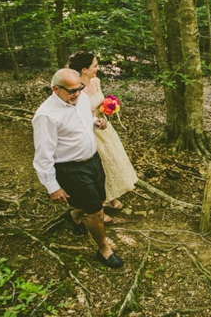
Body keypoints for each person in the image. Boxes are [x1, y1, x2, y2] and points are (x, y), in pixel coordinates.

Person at [32, 69, 124, 268]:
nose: (77, 94)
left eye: (79, 89)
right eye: (71, 91)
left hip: (93, 160)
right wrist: (52, 186)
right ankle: (104, 250)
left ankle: (75, 214)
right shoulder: (46, 116)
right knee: (97, 212)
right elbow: (43, 156)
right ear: (55, 89)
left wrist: (95, 122)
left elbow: (81, 121)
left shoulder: (81, 99)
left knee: (100, 198)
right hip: (70, 168)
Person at [67, 51, 138, 218]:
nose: (98, 68)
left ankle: (112, 196)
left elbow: (99, 102)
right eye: (95, 65)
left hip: (105, 127)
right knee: (99, 167)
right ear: (84, 69)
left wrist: (108, 106)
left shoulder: (96, 81)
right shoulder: (74, 87)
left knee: (113, 161)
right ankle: (98, 207)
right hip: (88, 132)